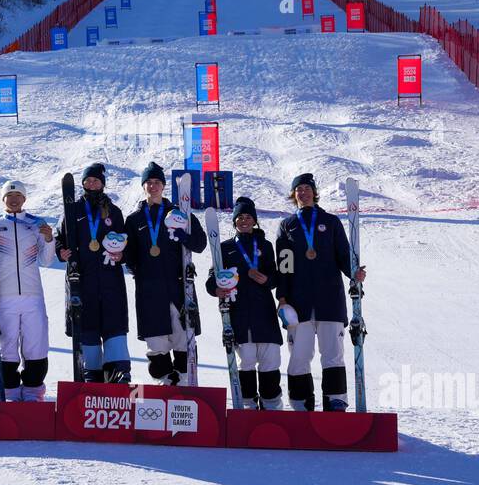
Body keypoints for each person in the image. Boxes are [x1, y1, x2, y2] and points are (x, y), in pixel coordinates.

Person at [274, 173, 366, 411]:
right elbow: (284, 265)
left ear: (314, 192)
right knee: (299, 356)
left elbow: (344, 256)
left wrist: (354, 273)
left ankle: (335, 400)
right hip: (298, 303)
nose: (302, 193)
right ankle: (300, 402)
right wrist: (283, 299)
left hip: (330, 301)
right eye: (298, 190)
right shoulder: (287, 225)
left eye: (306, 188)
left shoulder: (332, 222)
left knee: (333, 354)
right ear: (294, 196)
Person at [123, 162, 206, 385]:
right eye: (148, 182)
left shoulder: (180, 213)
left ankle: (184, 380)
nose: (153, 186)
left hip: (178, 286)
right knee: (156, 340)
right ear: (143, 186)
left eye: (157, 182)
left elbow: (200, 244)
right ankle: (164, 381)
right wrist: (140, 271)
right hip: (149, 290)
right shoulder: (134, 220)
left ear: (164, 185)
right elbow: (128, 255)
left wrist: (183, 237)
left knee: (182, 336)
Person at [55, 162, 132, 383]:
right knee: (87, 327)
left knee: (114, 326)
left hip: (110, 282)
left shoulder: (114, 212)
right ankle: (91, 376)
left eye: (96, 180)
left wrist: (122, 255)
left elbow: (126, 242)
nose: (91, 183)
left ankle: (118, 372)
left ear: (103, 183)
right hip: (83, 280)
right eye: (87, 180)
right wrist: (61, 250)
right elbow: (60, 237)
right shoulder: (73, 210)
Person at [205, 196, 282, 409]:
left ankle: (272, 406)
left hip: (264, 313)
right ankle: (247, 405)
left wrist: (267, 280)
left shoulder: (265, 246)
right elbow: (212, 278)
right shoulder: (225, 247)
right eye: (240, 217)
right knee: (246, 361)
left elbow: (276, 277)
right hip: (239, 314)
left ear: (255, 220)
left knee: (270, 362)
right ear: (234, 221)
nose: (244, 221)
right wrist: (216, 289)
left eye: (248, 217)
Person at [0, 179, 55, 401]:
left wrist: (49, 239)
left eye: (18, 196)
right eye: (10, 196)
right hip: (5, 297)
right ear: (3, 199)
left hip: (33, 296)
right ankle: (10, 395)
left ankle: (34, 394)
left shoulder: (37, 224)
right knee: (7, 348)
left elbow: (45, 260)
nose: (14, 200)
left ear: (24, 199)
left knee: (35, 346)